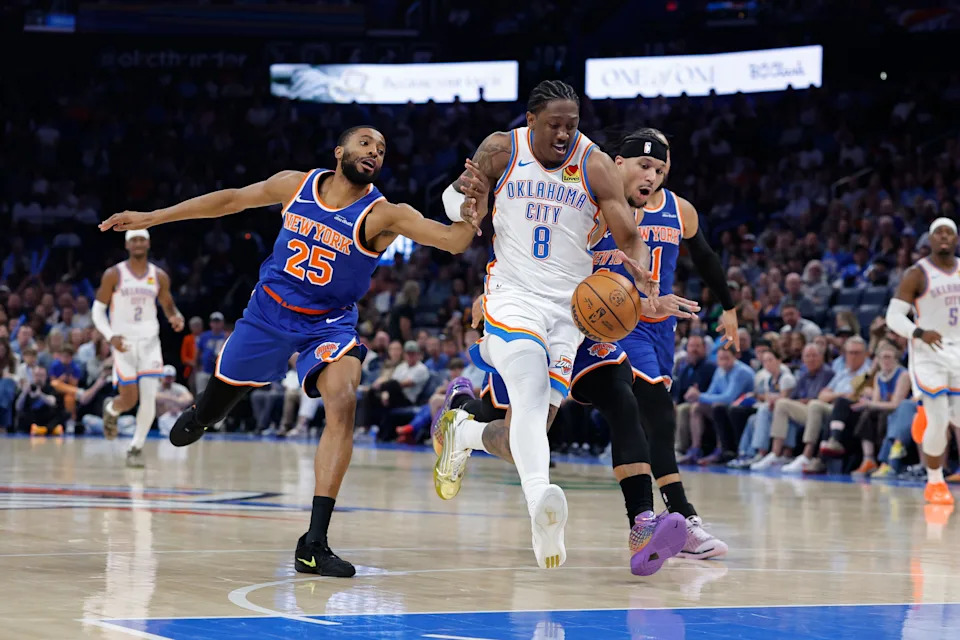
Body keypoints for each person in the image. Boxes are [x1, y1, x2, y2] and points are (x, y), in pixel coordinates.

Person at [99, 124, 489, 577]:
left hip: (327, 324)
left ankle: (313, 543)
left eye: (382, 149)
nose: (374, 152)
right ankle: (205, 414)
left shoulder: (384, 214)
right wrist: (152, 217)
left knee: (343, 399)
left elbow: (452, 241)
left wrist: (473, 211)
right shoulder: (295, 185)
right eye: (365, 143)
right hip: (268, 314)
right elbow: (230, 200)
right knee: (215, 406)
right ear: (339, 151)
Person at [430, 81, 665, 571]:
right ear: (531, 120)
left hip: (570, 311)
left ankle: (464, 433)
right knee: (530, 389)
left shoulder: (594, 164)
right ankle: (541, 505)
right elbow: (454, 202)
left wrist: (638, 271)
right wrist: (464, 202)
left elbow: (629, 235)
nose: (563, 133)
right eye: (554, 124)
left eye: (571, 125)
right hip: (512, 295)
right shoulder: (502, 149)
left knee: (530, 427)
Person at [92, 230, 185, 469]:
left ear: (148, 243)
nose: (138, 243)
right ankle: (112, 409)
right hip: (123, 344)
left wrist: (175, 317)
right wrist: (110, 336)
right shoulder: (114, 274)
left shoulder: (159, 276)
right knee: (129, 399)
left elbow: (168, 305)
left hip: (150, 343)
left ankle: (136, 447)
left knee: (149, 398)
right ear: (127, 245)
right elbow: (97, 311)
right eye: (134, 240)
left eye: (142, 239)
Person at [884, 217, 960, 506]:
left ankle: (923, 412)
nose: (944, 237)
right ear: (930, 239)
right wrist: (918, 332)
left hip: (957, 350)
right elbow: (893, 317)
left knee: (956, 418)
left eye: (949, 232)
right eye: (939, 232)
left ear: (956, 239)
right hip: (928, 352)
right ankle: (935, 481)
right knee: (939, 420)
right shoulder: (917, 273)